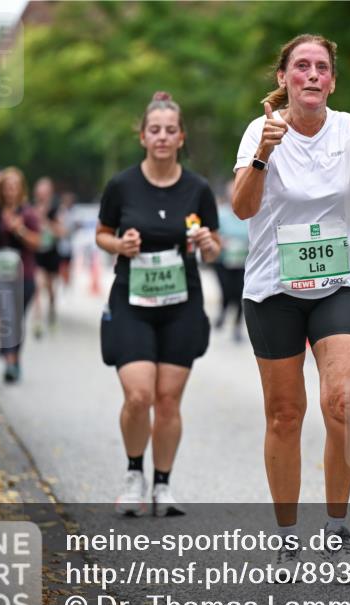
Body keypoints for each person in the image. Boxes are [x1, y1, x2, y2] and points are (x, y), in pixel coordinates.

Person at [231, 34, 350, 576]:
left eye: (321, 67)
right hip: (274, 288)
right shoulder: (262, 130)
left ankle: (336, 527)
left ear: (332, 80)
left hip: (334, 284)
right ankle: (286, 537)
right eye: (301, 66)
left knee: (342, 401)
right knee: (285, 415)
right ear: (283, 79)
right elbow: (241, 208)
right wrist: (262, 155)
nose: (311, 75)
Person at [96, 91, 220, 517]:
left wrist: (206, 242)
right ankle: (134, 475)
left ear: (181, 137)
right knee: (138, 396)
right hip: (131, 299)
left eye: (170, 130)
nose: (163, 137)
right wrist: (120, 243)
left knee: (167, 401)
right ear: (143, 137)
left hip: (181, 303)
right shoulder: (122, 185)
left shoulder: (198, 189)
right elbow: (102, 234)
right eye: (155, 130)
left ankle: (163, 485)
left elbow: (215, 249)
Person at [0, 167, 42, 383]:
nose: (11, 191)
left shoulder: (28, 214)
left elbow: (37, 243)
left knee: (17, 319)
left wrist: (20, 230)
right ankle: (9, 361)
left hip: (24, 274)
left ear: (21, 189)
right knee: (7, 318)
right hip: (0, 274)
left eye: (15, 187)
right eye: (7, 187)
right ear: (1, 190)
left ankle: (15, 359)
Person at [213, 182, 249, 341]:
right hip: (223, 261)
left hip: (243, 260)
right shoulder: (221, 214)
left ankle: (237, 326)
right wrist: (222, 241)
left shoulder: (250, 213)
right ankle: (223, 311)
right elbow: (213, 233)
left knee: (240, 293)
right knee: (227, 291)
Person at [31, 176, 63, 337]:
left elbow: (61, 232)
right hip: (37, 253)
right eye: (39, 192)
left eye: (44, 192)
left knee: (50, 288)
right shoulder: (31, 208)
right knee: (38, 285)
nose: (41, 195)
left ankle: (51, 309)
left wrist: (45, 221)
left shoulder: (55, 209)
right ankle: (37, 320)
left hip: (52, 253)